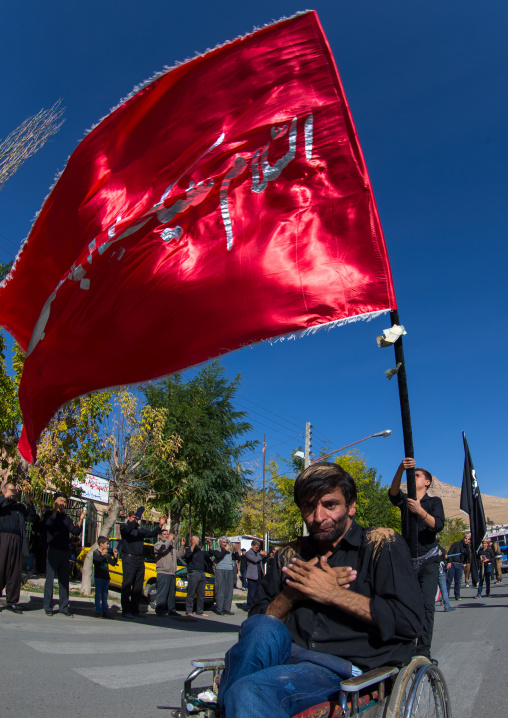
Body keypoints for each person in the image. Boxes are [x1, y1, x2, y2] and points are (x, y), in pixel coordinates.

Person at [217, 462, 424, 718]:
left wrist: (333, 594)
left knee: (248, 691)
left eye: (330, 505)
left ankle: (229, 703)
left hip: (343, 668)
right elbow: (257, 626)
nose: (318, 517)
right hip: (286, 658)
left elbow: (409, 622)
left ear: (351, 506)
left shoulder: (381, 543)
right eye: (308, 506)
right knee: (261, 627)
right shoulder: (288, 555)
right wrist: (294, 593)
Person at [389, 457, 444, 659]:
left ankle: (423, 652)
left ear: (427, 482)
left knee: (427, 605)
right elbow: (393, 493)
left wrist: (420, 511)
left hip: (429, 559)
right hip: (408, 559)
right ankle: (407, 648)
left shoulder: (434, 502)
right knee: (406, 604)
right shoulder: (405, 500)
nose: (414, 477)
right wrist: (400, 469)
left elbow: (438, 525)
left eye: (418, 475)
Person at [43, 492, 85, 617]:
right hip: (53, 550)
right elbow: (48, 524)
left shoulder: (67, 518)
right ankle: (48, 606)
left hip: (64, 552)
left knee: (64, 581)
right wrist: (55, 510)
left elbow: (75, 531)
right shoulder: (49, 514)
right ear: (55, 501)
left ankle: (63, 607)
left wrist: (81, 518)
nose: (63, 504)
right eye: (61, 501)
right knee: (49, 580)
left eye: (64, 502)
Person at [120, 509, 166, 618]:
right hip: (129, 559)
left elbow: (151, 533)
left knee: (138, 586)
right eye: (133, 518)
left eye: (137, 518)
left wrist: (160, 525)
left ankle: (134, 610)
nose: (136, 520)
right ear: (129, 518)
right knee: (127, 585)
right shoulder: (124, 527)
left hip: (139, 561)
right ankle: (126, 610)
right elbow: (126, 530)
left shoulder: (139, 531)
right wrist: (134, 521)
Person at [0, 482, 36, 614]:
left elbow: (31, 518)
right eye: (10, 490)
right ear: (4, 491)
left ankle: (12, 601)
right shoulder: (2, 503)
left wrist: (28, 500)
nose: (12, 492)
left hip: (16, 540)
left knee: (14, 572)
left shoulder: (19, 507)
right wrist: (5, 498)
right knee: (1, 568)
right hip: (3, 538)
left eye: (14, 490)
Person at [154, 529, 185, 616]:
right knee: (162, 592)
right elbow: (162, 549)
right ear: (160, 536)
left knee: (171, 593)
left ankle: (171, 609)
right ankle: (160, 610)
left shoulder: (171, 546)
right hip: (163, 572)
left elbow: (178, 555)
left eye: (168, 534)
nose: (167, 535)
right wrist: (169, 540)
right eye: (165, 534)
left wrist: (182, 547)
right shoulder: (158, 544)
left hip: (171, 572)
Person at [209, 536, 240, 615]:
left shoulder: (229, 551)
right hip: (220, 570)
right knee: (220, 590)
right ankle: (219, 609)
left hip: (229, 570)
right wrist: (225, 550)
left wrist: (236, 550)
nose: (225, 544)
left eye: (226, 542)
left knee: (228, 590)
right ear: (220, 543)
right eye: (223, 542)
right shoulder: (217, 550)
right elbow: (218, 556)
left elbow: (236, 557)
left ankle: (227, 608)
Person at [183, 535, 212, 617]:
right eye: (194, 540)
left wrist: (210, 545)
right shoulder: (188, 550)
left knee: (201, 593)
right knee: (191, 593)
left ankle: (200, 610)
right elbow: (188, 556)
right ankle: (189, 611)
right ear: (191, 541)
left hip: (201, 573)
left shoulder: (201, 551)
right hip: (193, 573)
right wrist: (192, 545)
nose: (196, 542)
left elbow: (209, 554)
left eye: (197, 541)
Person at [93, 535, 118, 618]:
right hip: (99, 577)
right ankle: (98, 610)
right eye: (106, 544)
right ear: (101, 544)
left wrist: (115, 556)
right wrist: (102, 555)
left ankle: (105, 611)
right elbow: (96, 561)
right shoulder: (96, 552)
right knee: (98, 594)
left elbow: (113, 563)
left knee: (105, 595)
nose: (108, 545)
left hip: (106, 577)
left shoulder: (107, 554)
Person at [244, 540, 267, 611]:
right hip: (252, 575)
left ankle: (256, 606)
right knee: (252, 592)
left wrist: (265, 556)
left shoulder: (258, 553)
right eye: (256, 547)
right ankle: (250, 606)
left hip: (259, 574)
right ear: (252, 546)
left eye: (258, 547)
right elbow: (255, 560)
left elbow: (263, 561)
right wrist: (261, 555)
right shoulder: (248, 553)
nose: (257, 549)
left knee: (257, 592)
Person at [446, 534, 468, 601]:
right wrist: (449, 562)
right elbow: (450, 552)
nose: (467, 540)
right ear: (463, 538)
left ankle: (457, 596)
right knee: (449, 581)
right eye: (466, 538)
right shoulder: (456, 544)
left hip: (460, 565)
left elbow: (467, 556)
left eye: (468, 539)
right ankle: (446, 596)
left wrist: (464, 563)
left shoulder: (466, 547)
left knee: (458, 581)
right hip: (452, 564)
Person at [436, 535, 455, 612]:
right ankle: (446, 605)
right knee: (444, 588)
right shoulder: (442, 549)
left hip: (434, 570)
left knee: (433, 590)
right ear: (439, 540)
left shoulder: (430, 549)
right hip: (441, 570)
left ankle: (432, 606)